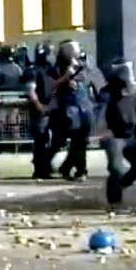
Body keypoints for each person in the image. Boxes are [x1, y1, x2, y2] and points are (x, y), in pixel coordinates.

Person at [100, 59, 136, 207]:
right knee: (116, 168)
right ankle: (114, 200)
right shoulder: (107, 92)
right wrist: (101, 130)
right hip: (113, 135)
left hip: (131, 134)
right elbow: (100, 112)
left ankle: (120, 187)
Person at [47, 40, 93, 181]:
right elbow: (53, 86)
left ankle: (68, 167)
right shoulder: (58, 68)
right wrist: (67, 76)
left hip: (83, 106)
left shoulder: (82, 67)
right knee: (72, 139)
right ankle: (79, 170)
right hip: (68, 108)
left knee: (82, 140)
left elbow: (88, 83)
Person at [25, 42, 55, 179]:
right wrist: (39, 106)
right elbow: (31, 91)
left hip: (52, 108)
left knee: (52, 139)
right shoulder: (34, 70)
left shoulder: (51, 69)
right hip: (40, 110)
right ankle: (40, 169)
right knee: (40, 140)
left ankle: (46, 166)